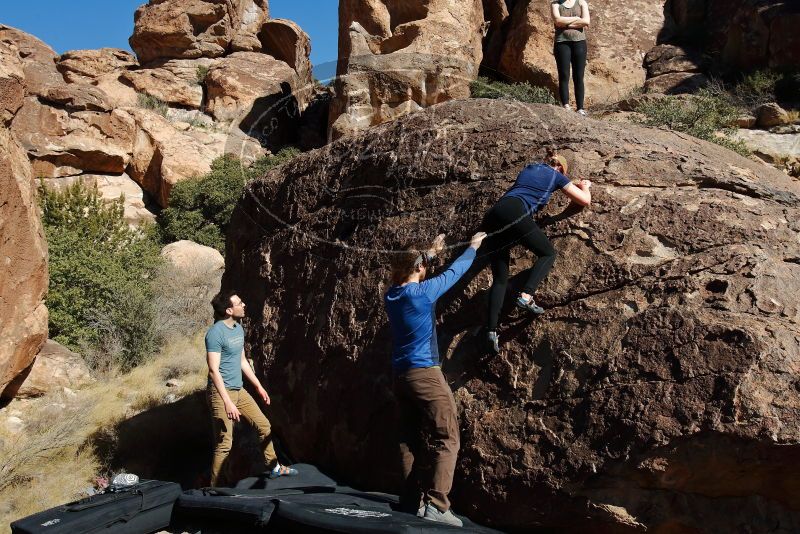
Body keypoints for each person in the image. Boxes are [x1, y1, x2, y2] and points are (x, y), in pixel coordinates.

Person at [384, 231, 488, 527]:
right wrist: (473, 248)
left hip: (400, 375)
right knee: (447, 436)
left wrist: (430, 252)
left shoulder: (391, 294)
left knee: (408, 439)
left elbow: (411, 270)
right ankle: (437, 506)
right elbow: (455, 272)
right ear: (419, 268)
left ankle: (409, 502)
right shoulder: (423, 293)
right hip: (425, 374)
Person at [481, 153, 591, 354]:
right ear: (561, 169)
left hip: (494, 214)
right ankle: (527, 295)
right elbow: (584, 201)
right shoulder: (556, 175)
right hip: (515, 211)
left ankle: (491, 330)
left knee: (500, 279)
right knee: (547, 253)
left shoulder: (530, 168)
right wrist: (584, 186)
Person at [205, 290, 297, 486]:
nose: (244, 304)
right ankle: (214, 489)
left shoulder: (238, 328)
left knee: (264, 425)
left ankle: (274, 467)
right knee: (224, 444)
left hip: (238, 390)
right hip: (221, 394)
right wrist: (227, 402)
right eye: (239, 303)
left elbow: (242, 361)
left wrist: (258, 387)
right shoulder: (215, 333)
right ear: (229, 310)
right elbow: (213, 370)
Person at [551, 0, 591, 115]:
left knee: (578, 76)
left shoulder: (581, 2)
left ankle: (580, 108)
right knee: (564, 75)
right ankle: (566, 106)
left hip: (579, 42)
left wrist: (566, 24)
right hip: (562, 42)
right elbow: (557, 21)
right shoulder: (555, 4)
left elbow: (586, 21)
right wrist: (577, 19)